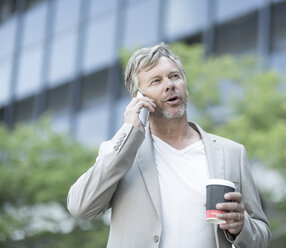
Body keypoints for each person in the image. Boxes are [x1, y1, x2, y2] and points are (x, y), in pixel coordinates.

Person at [67, 43, 270, 248]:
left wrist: (242, 226)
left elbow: (261, 235)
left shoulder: (232, 152)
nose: (169, 85)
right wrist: (129, 130)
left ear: (185, 85)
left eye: (174, 76)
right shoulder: (122, 152)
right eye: (156, 81)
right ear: (139, 98)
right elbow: (81, 208)